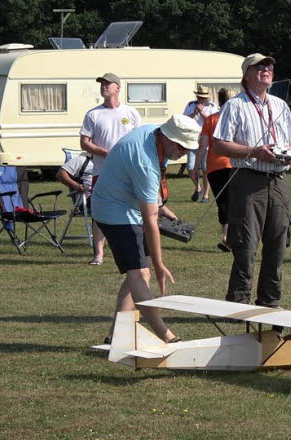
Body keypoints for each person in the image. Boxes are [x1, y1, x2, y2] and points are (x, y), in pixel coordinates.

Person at [91, 114, 201, 344]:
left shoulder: (156, 135)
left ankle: (116, 335)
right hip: (112, 210)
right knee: (140, 273)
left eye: (188, 148)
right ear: (168, 138)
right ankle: (166, 336)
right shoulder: (145, 160)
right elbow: (149, 220)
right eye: (182, 146)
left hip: (127, 205)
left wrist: (160, 205)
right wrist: (160, 264)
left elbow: (150, 203)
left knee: (140, 272)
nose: (184, 152)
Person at [212, 53, 291, 308]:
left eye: (269, 65)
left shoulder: (280, 105)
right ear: (247, 74)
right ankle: (238, 302)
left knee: (278, 245)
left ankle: (270, 301)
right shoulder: (235, 106)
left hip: (278, 180)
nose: (266, 69)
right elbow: (219, 145)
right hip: (248, 181)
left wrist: (290, 154)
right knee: (245, 246)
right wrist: (254, 151)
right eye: (259, 66)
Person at [80, 72, 142, 266]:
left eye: (107, 84)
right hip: (102, 172)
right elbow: (84, 143)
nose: (103, 87)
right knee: (99, 213)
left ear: (118, 87)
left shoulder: (130, 113)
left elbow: (140, 140)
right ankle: (98, 254)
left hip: (128, 172)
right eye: (102, 84)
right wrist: (102, 152)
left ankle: (135, 244)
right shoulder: (93, 114)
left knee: (134, 207)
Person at [195, 88, 234, 252]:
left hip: (215, 166)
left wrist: (196, 166)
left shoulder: (211, 120)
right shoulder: (235, 118)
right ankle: (231, 237)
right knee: (236, 201)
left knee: (222, 202)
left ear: (219, 100)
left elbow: (203, 146)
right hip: (235, 165)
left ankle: (226, 236)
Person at [183, 86, 218, 202]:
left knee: (205, 169)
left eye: (202, 98)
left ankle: (206, 195)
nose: (200, 99)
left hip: (206, 141)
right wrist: (194, 113)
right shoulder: (190, 105)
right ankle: (198, 187)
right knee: (191, 168)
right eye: (199, 97)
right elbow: (184, 120)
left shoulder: (212, 106)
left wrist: (202, 112)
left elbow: (213, 121)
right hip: (192, 140)